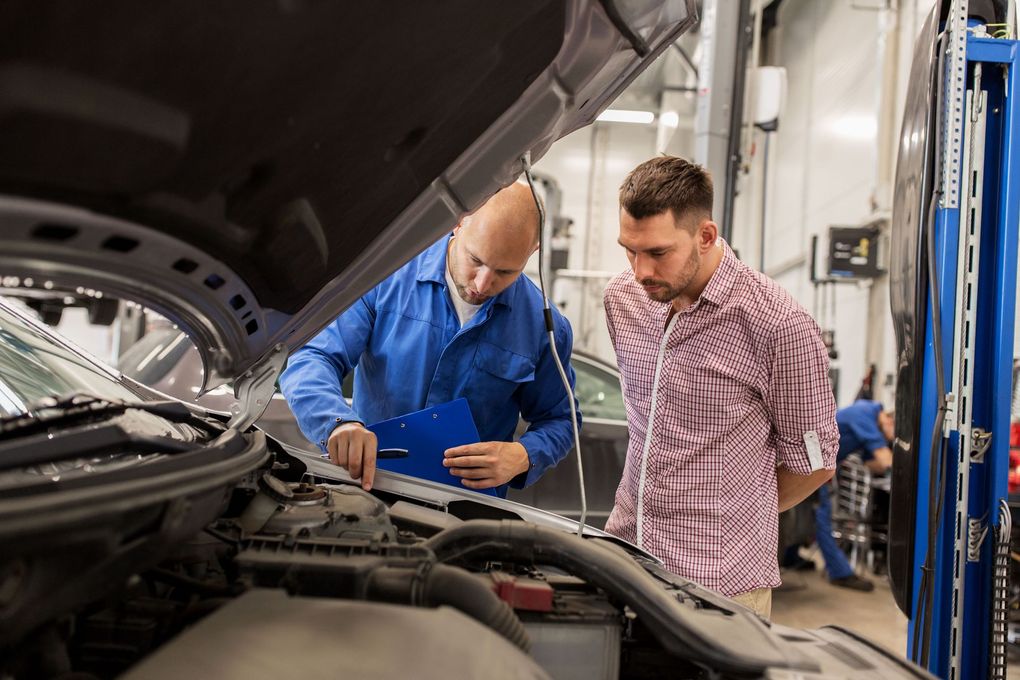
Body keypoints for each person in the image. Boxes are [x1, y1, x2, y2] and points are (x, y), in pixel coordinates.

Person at [602, 156, 839, 619]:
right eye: (629, 250)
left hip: (721, 584)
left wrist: (732, 515)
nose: (640, 270)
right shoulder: (623, 299)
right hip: (627, 554)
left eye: (657, 253)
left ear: (705, 236)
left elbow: (814, 464)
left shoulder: (777, 325)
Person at [280, 183, 579, 496]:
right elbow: (312, 357)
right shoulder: (385, 277)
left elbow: (560, 419)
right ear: (458, 221)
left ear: (533, 251)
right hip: (365, 492)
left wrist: (523, 455)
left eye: (505, 271)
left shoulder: (544, 327)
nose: (482, 283)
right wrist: (338, 422)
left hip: (466, 512)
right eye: (475, 260)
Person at [809, 399, 894, 591]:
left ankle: (791, 556)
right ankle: (840, 573)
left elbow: (873, 463)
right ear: (889, 420)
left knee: (806, 514)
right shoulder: (865, 412)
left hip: (820, 467)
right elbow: (883, 456)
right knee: (822, 516)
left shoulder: (871, 423)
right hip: (813, 466)